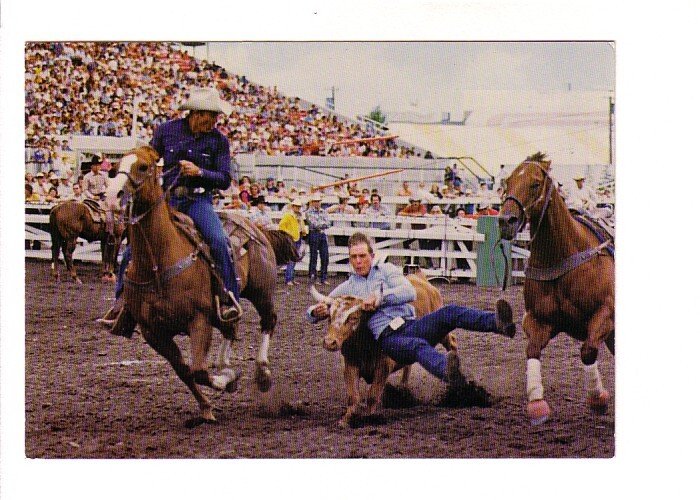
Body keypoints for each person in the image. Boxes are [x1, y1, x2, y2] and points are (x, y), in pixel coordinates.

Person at [99, 86, 242, 335]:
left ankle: (229, 298)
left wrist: (199, 172)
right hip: (168, 201)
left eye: (216, 119)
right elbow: (150, 156)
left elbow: (224, 179)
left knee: (219, 242)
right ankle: (121, 303)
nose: (213, 123)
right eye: (210, 118)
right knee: (133, 248)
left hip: (198, 201)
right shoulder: (167, 130)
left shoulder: (219, 141)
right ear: (196, 114)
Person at [306, 232, 516, 393]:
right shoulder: (348, 288)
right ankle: (448, 371)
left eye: (362, 256)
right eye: (353, 257)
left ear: (372, 256)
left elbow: (408, 291)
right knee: (417, 346)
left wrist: (380, 298)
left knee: (449, 312)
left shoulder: (387, 271)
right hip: (388, 338)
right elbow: (321, 306)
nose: (358, 261)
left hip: (410, 325)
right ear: (350, 259)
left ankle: (498, 323)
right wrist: (315, 312)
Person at [279, 198, 307, 286]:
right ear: (293, 207)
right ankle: (288, 279)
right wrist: (290, 234)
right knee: (291, 259)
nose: (298, 208)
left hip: (298, 237)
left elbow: (301, 226)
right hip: (292, 239)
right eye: (296, 206)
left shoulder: (299, 216)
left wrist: (303, 231)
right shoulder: (288, 216)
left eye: (299, 207)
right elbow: (281, 227)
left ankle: (291, 278)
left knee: (294, 259)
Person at [306, 193, 331, 284]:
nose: (317, 203)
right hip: (314, 234)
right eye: (315, 202)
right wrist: (322, 225)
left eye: (318, 202)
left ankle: (323, 277)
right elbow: (313, 224)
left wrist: (320, 225)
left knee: (325, 256)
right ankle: (313, 277)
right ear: (312, 202)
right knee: (314, 256)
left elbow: (328, 223)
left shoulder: (323, 211)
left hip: (321, 234)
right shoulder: (309, 212)